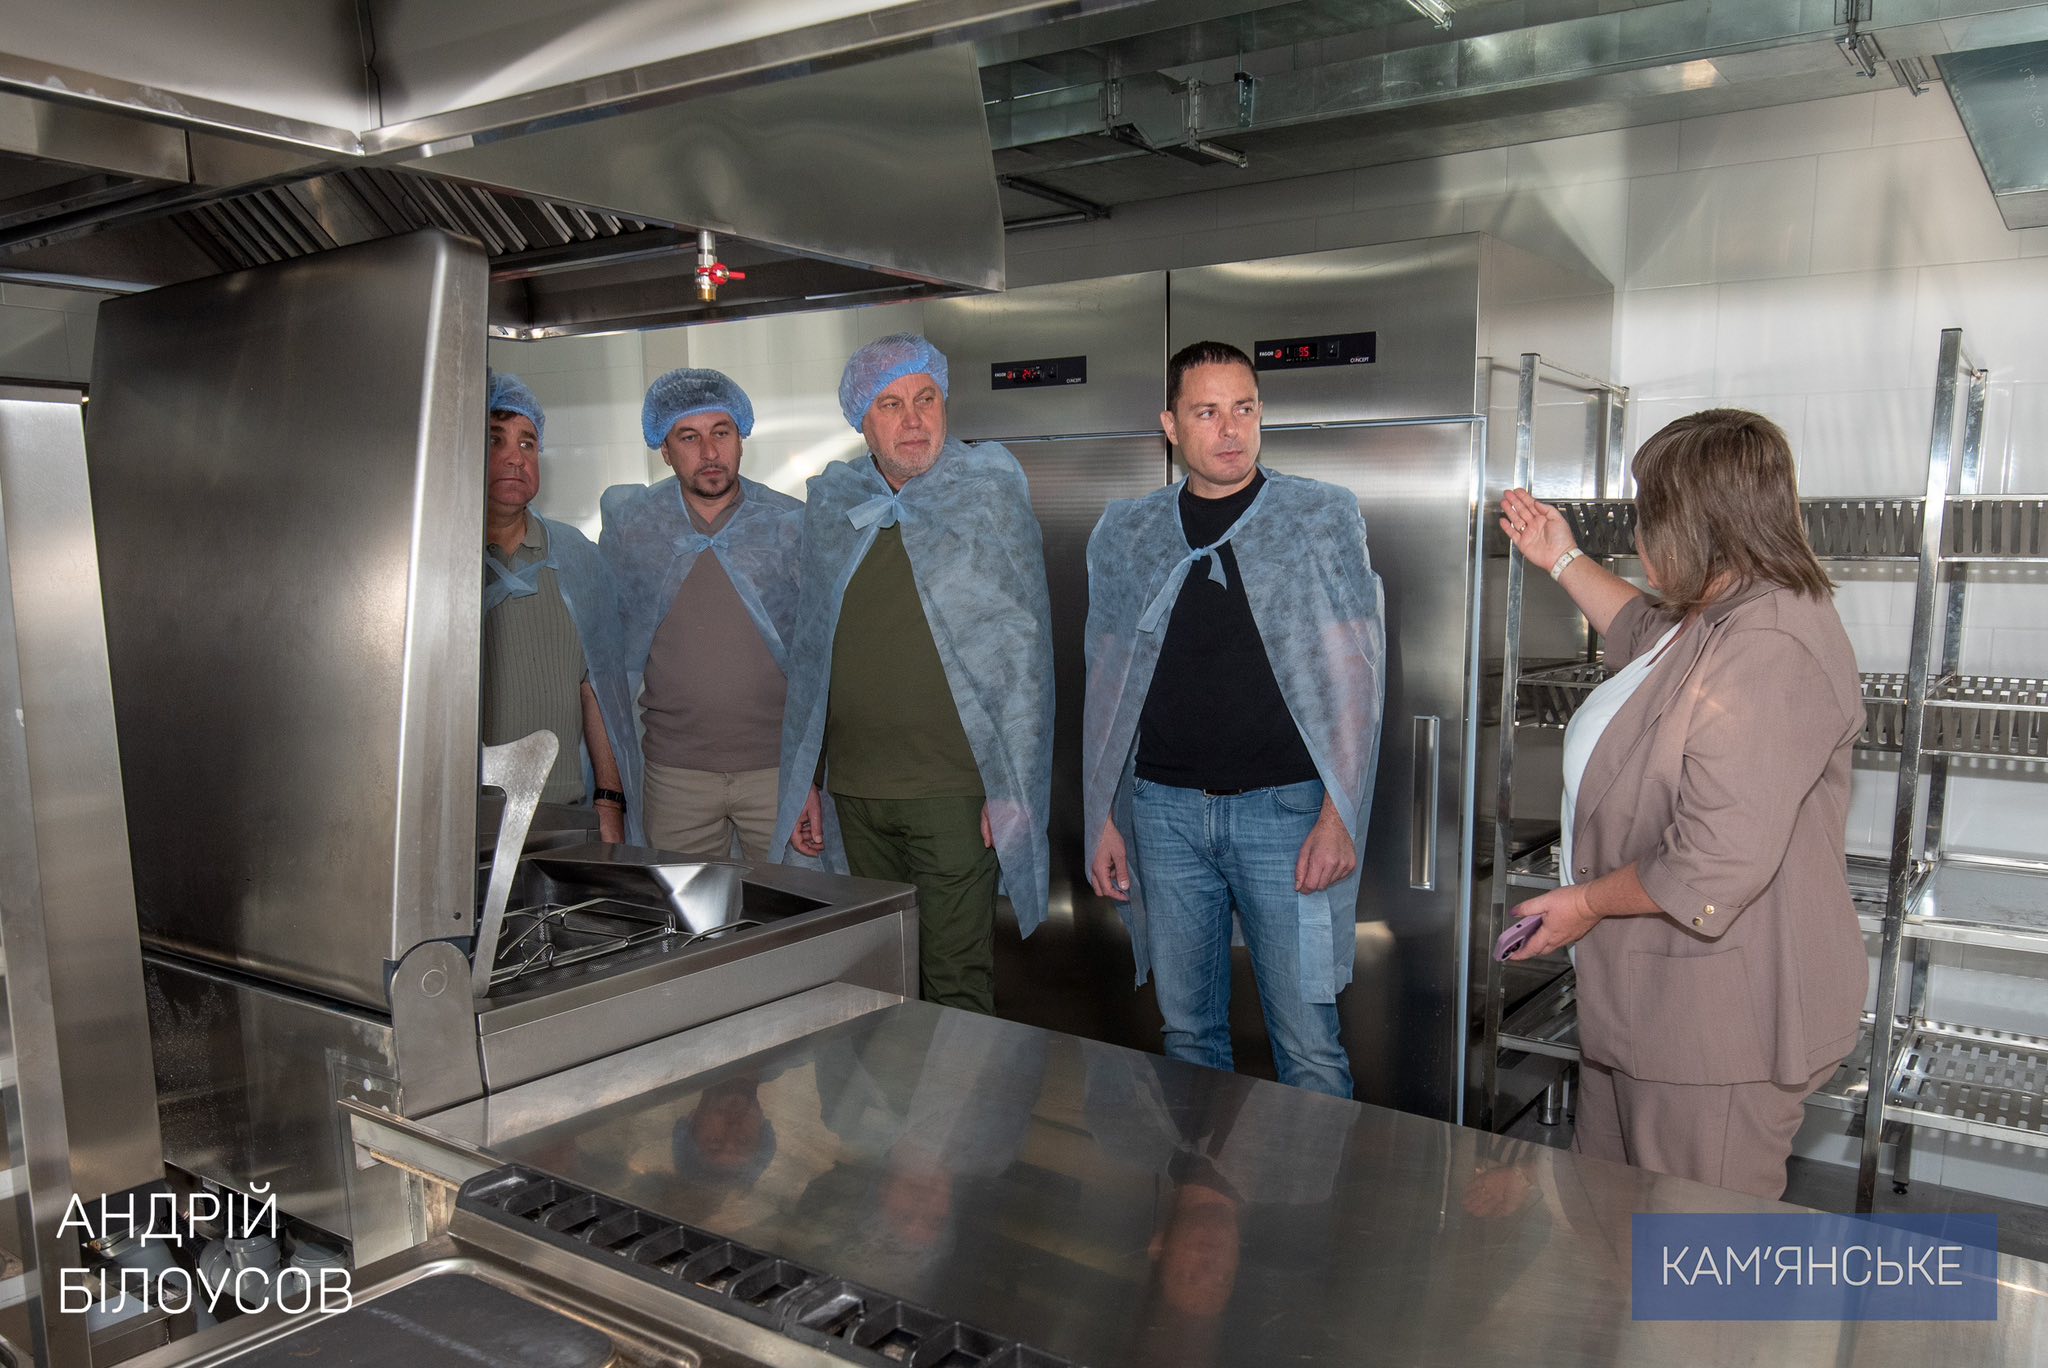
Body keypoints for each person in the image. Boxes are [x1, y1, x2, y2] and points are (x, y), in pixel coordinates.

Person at [1498, 408, 1867, 1200]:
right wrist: (1560, 556)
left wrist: (1584, 904)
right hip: (1650, 1002)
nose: (1638, 529)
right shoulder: (1719, 610)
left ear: (1690, 521)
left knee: (1696, 1250)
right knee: (1609, 1224)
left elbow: (1713, 864)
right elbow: (1643, 632)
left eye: (1647, 511)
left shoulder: (1771, 647)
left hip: (1722, 1025)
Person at [1081, 340, 1386, 1099]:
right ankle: (1201, 1179)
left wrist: (1339, 817)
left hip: (1287, 814)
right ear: (1170, 426)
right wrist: (1101, 815)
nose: (1229, 430)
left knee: (1308, 1046)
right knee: (1187, 1035)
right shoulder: (1128, 530)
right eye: (1207, 412)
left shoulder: (1318, 516)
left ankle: (1316, 1185)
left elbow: (1357, 676)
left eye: (1243, 409)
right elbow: (1107, 681)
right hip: (1163, 815)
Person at [772, 333, 1055, 1013]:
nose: (914, 420)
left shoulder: (987, 495)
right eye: (891, 404)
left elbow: (1025, 658)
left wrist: (1014, 788)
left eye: (925, 398)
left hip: (953, 793)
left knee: (955, 984)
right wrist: (808, 776)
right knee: (876, 985)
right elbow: (810, 652)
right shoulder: (835, 505)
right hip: (856, 796)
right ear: (861, 420)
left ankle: (962, 1093)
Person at [600, 368, 801, 860]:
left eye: (721, 432)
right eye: (689, 437)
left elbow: (822, 653)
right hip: (675, 776)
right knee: (687, 908)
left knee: (792, 904)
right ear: (665, 450)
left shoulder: (791, 523)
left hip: (779, 770)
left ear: (741, 437)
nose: (710, 452)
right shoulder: (634, 531)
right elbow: (605, 658)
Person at [481, 370, 638, 843]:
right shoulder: (434, 561)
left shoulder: (575, 556)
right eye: (495, 439)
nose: (515, 457)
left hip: (561, 815)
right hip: (461, 818)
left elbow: (599, 689)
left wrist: (608, 802)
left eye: (528, 444)